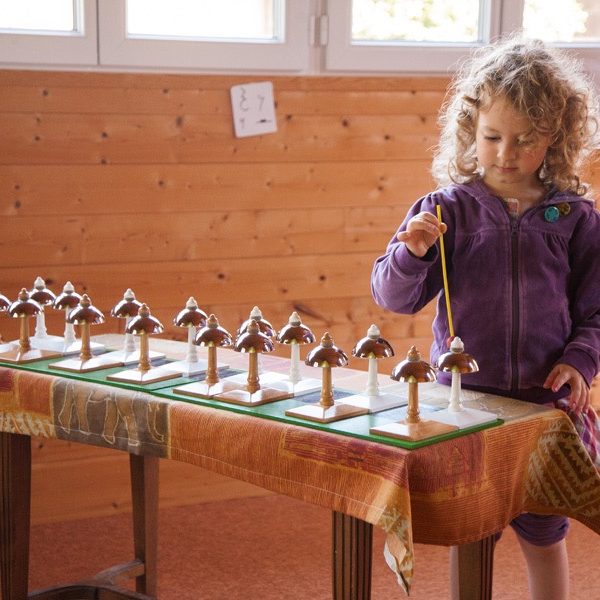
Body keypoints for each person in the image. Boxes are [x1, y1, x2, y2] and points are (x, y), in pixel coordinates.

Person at [370, 36, 600, 600]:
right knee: (471, 530)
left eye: (526, 140)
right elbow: (393, 295)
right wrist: (412, 253)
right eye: (493, 136)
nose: (506, 153)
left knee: (545, 530)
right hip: (464, 402)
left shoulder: (574, 217)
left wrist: (580, 361)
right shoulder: (444, 209)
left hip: (543, 404)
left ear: (557, 137)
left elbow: (597, 310)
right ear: (470, 130)